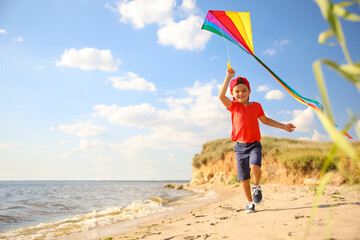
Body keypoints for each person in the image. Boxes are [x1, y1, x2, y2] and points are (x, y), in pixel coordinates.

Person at [219, 68, 296, 213]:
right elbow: (221, 96)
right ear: (232, 94)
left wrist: (283, 126)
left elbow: (265, 120)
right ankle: (249, 203)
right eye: (237, 91)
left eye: (244, 90)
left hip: (254, 144)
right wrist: (228, 77)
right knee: (243, 178)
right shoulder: (233, 107)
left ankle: (256, 186)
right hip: (240, 147)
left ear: (249, 91)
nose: (241, 93)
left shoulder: (256, 106)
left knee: (255, 168)